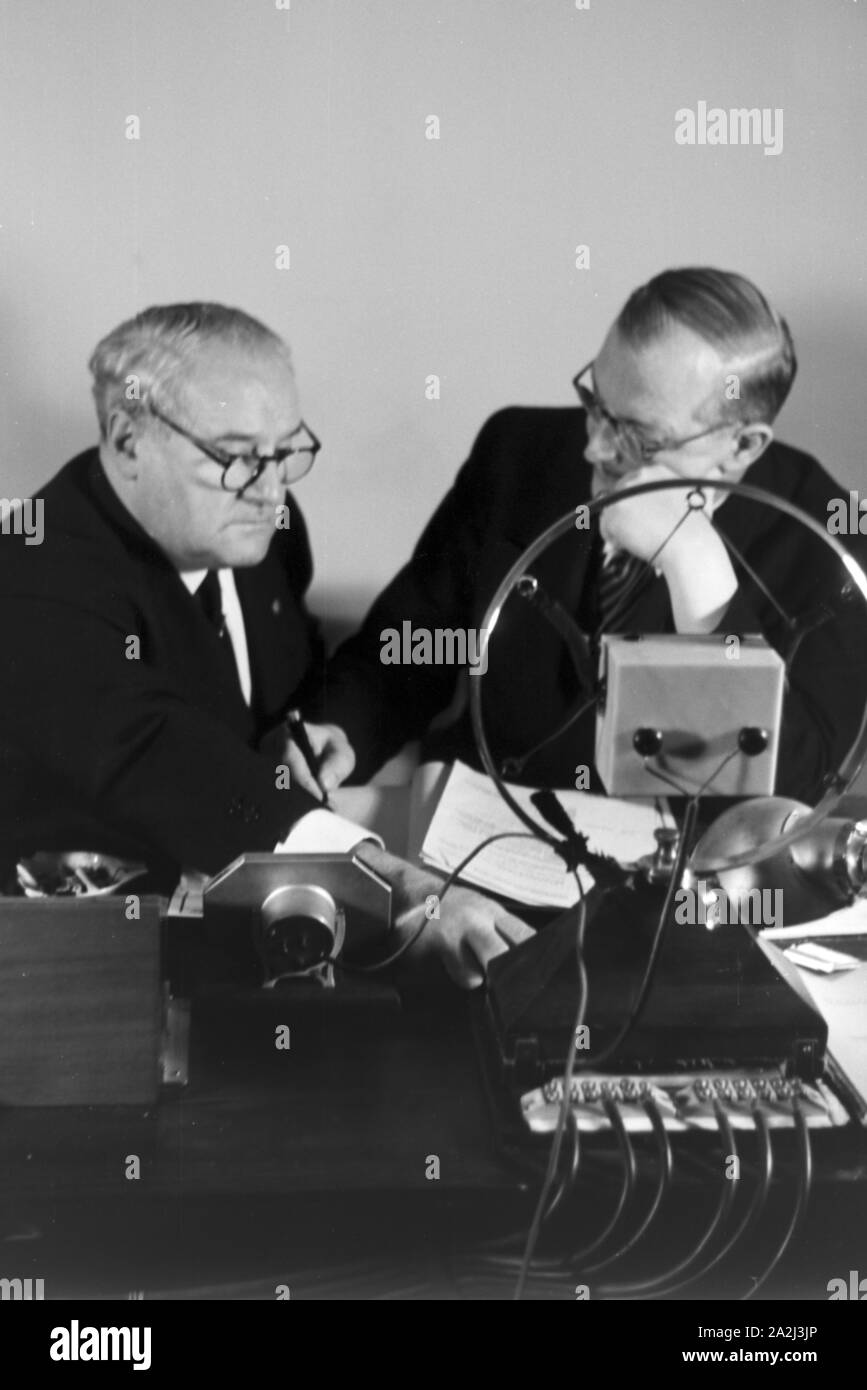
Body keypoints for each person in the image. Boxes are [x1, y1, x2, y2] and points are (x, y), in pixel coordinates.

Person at [0, 303, 532, 988]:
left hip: (266, 927)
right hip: (96, 974)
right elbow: (163, 756)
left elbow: (280, 695)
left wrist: (310, 735)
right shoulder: (36, 579)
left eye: (286, 450)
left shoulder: (262, 524)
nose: (273, 490)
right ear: (128, 439)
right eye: (238, 457)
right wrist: (396, 886)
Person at [315, 268, 867, 803]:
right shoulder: (518, 452)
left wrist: (696, 567)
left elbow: (795, 788)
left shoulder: (828, 533)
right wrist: (339, 732)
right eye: (595, 404)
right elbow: (406, 652)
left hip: (687, 878)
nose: (595, 448)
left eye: (636, 435)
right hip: (488, 840)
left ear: (743, 446)